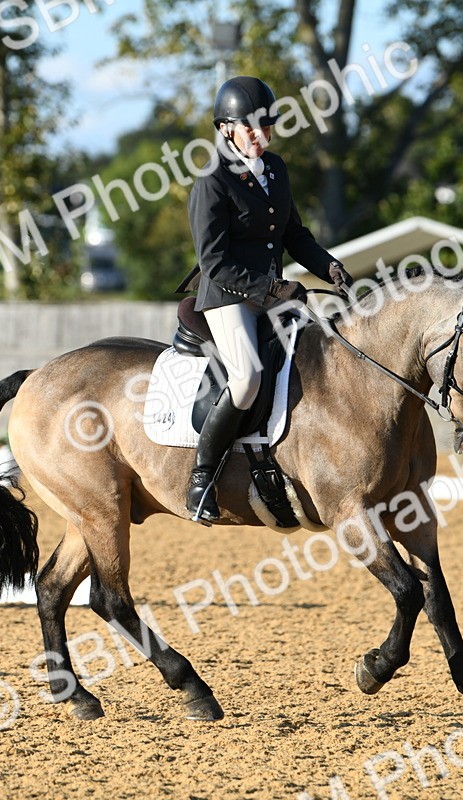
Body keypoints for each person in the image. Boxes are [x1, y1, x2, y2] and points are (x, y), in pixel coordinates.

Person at [179, 76, 353, 522]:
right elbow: (215, 262)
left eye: (265, 125)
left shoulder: (275, 169)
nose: (260, 135)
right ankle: (202, 479)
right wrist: (276, 288)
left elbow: (295, 234)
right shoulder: (212, 182)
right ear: (226, 129)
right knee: (248, 378)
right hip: (226, 297)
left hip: (271, 296)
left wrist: (330, 269)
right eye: (249, 127)